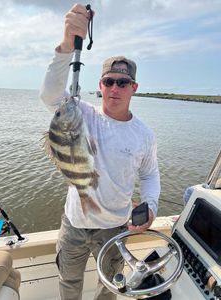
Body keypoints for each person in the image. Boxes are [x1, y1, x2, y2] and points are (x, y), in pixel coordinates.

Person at [40, 4, 160, 300]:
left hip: (115, 227)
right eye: (109, 82)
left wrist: (152, 205)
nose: (115, 88)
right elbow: (50, 95)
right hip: (74, 224)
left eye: (123, 82)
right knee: (69, 282)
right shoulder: (79, 112)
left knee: (110, 285)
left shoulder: (144, 134)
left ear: (134, 87)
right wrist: (66, 46)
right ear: (100, 85)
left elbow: (150, 174)